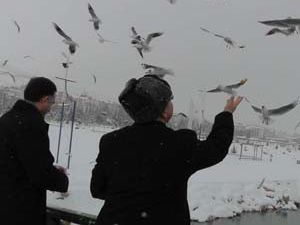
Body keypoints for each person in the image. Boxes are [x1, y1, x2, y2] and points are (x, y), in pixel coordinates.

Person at [90, 74, 243, 225]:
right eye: (170, 100)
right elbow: (217, 147)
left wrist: (129, 197)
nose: (172, 104)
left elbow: (97, 189)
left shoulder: (111, 142)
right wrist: (226, 114)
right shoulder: (179, 144)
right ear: (163, 111)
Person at [0, 77, 69, 225]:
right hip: (20, 208)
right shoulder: (32, 125)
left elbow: (17, 161)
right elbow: (40, 173)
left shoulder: (6, 119)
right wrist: (62, 179)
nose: (51, 108)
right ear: (44, 99)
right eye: (52, 102)